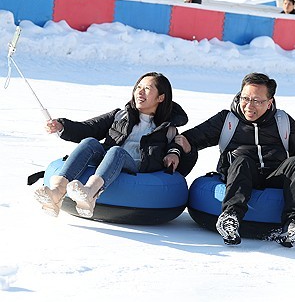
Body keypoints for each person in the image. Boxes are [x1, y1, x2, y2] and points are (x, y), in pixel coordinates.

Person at [175, 73, 295, 246]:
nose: (249, 105)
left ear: (269, 103)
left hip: (275, 176)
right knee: (242, 160)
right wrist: (176, 150)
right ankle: (230, 218)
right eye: (245, 98)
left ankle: (294, 224)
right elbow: (190, 138)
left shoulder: (282, 121)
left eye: (257, 100)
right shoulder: (227, 120)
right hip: (242, 175)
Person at [34, 72, 197, 218]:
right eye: (138, 87)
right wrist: (63, 126)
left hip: (135, 167)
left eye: (147, 89)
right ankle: (57, 192)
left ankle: (90, 193)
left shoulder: (167, 129)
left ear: (160, 97)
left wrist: (174, 153)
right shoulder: (120, 115)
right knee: (90, 142)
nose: (139, 92)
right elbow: (89, 128)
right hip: (109, 159)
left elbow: (176, 151)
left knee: (116, 151)